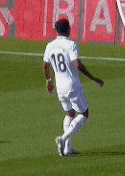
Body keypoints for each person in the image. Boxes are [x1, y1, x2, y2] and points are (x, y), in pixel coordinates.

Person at [43, 18, 104, 156]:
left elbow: (45, 64)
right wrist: (93, 78)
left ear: (56, 30)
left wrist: (48, 80)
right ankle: (63, 138)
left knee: (69, 114)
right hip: (72, 86)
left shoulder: (50, 45)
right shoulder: (70, 45)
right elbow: (77, 64)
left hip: (60, 87)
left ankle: (67, 148)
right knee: (84, 113)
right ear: (68, 29)